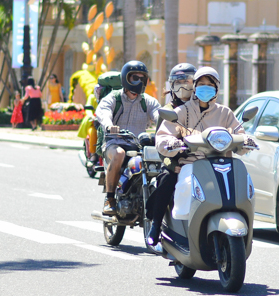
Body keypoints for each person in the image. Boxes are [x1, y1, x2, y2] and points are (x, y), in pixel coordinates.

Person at [148, 66, 255, 246]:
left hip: (221, 163)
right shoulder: (183, 111)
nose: (205, 88)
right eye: (201, 84)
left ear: (217, 88)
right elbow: (164, 134)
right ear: (195, 87)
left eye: (210, 84)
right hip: (191, 163)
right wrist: (172, 143)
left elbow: (239, 132)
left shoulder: (225, 113)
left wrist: (246, 141)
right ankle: (160, 226)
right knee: (175, 184)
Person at [94, 61, 161, 215]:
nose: (138, 81)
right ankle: (109, 199)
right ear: (125, 79)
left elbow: (159, 115)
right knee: (119, 154)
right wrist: (109, 125)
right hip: (114, 142)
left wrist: (168, 127)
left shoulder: (148, 101)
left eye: (141, 78)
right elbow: (103, 112)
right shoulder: (114, 97)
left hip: (138, 145)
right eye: (134, 77)